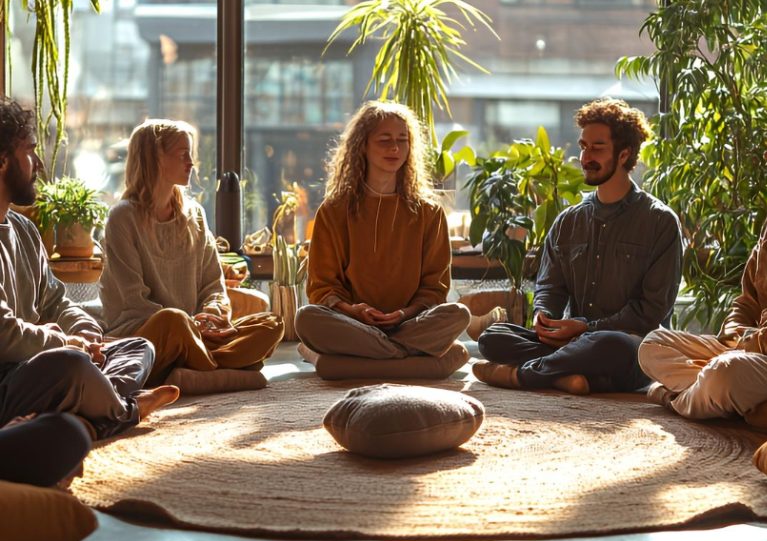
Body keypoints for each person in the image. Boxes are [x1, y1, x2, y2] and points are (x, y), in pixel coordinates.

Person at [473, 98, 682, 395]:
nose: (585, 157)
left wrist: (586, 327)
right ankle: (570, 377)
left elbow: (650, 313)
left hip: (631, 348)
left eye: (597, 148)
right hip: (573, 343)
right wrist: (544, 316)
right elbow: (550, 287)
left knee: (608, 344)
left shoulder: (660, 222)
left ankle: (525, 375)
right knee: (492, 337)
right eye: (583, 146)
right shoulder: (568, 221)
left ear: (624, 155)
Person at [0, 98, 178, 443]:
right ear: (2, 160)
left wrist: (85, 332)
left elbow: (55, 301)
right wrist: (66, 343)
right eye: (30, 151)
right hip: (10, 377)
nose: (38, 163)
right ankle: (125, 411)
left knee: (137, 348)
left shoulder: (23, 229)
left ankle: (82, 409)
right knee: (71, 366)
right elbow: (4, 334)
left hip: (40, 363)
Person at [640, 106, 767, 421]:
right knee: (652, 344)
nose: (766, 153)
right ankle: (734, 402)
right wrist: (735, 331)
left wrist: (750, 343)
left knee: (725, 372)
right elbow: (747, 297)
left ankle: (676, 398)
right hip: (749, 345)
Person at [100, 119, 284, 384]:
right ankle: (219, 365)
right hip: (146, 334)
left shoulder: (194, 214)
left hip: (195, 332)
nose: (191, 162)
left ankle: (192, 366)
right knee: (173, 320)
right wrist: (190, 326)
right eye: (182, 154)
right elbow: (134, 303)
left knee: (272, 325)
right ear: (155, 158)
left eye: (190, 154)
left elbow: (213, 285)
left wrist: (211, 315)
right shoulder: (122, 218)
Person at [295, 101, 470, 361]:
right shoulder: (334, 210)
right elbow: (323, 288)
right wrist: (354, 311)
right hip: (353, 323)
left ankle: (373, 353)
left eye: (402, 139)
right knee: (307, 318)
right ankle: (401, 352)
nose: (395, 148)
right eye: (384, 139)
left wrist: (403, 314)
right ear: (362, 145)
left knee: (458, 314)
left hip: (410, 322)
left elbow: (435, 289)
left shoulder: (429, 213)